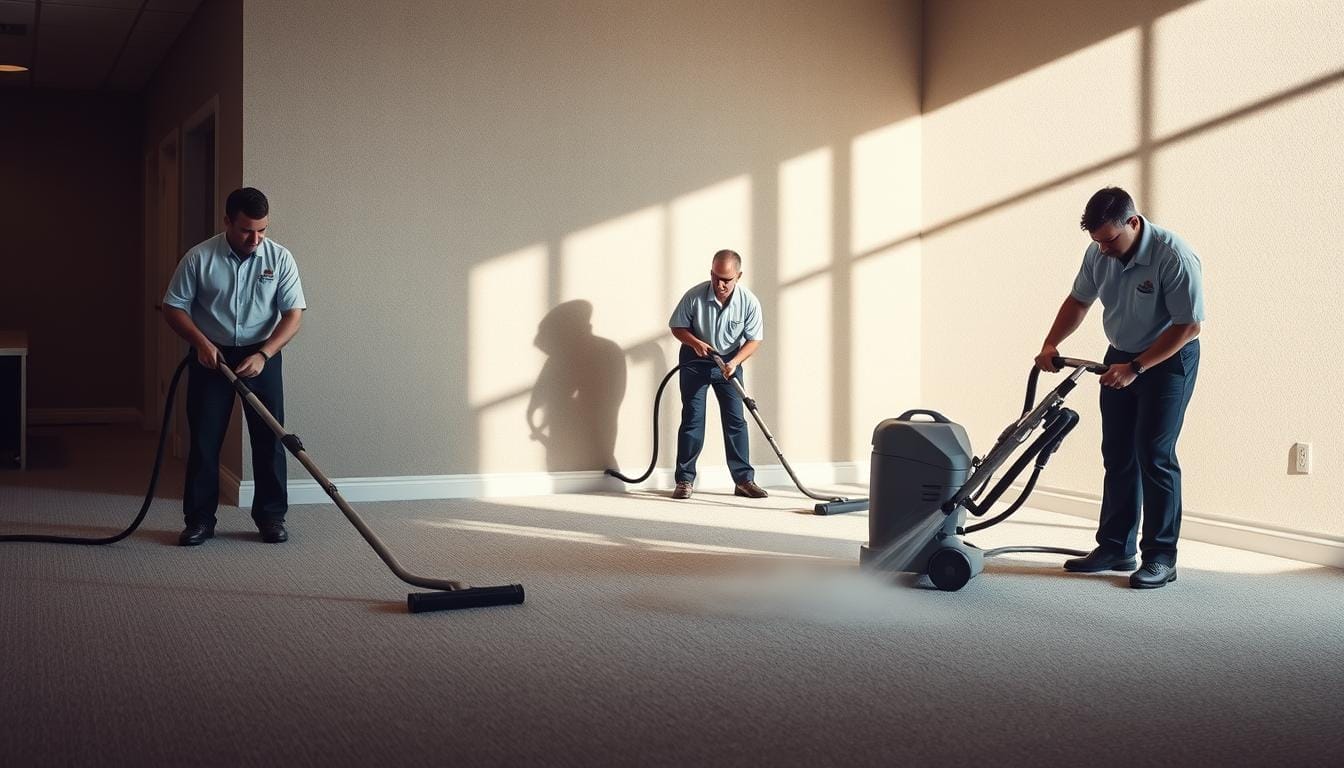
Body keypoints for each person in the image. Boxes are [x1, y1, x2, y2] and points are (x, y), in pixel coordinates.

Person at [1035, 187, 1203, 589]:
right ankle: (1115, 546)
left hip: (1166, 359)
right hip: (1120, 355)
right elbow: (1078, 301)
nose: (1104, 249)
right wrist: (1051, 343)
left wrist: (1137, 367)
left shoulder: (1172, 255)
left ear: (1133, 222)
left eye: (1110, 239)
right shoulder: (1099, 253)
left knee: (1154, 454)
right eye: (1097, 241)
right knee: (1117, 453)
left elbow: (1189, 325)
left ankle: (1161, 557)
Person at [162, 187, 306, 546]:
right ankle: (199, 520)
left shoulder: (280, 258)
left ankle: (271, 517)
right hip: (212, 355)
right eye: (246, 230)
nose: (255, 238)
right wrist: (200, 343)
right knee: (206, 441)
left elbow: (292, 315)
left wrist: (265, 354)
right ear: (227, 221)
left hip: (262, 355)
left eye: (263, 230)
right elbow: (173, 307)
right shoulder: (198, 258)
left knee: (270, 439)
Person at [668, 249, 767, 500]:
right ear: (711, 273)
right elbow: (677, 326)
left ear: (739, 276)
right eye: (716, 277)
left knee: (736, 420)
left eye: (727, 279)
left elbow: (754, 340)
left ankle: (744, 480)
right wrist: (695, 343)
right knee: (693, 418)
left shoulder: (749, 302)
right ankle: (684, 480)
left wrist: (734, 362)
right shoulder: (694, 296)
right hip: (695, 359)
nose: (720, 284)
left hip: (729, 363)